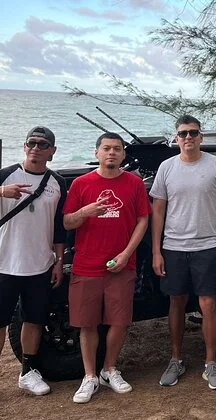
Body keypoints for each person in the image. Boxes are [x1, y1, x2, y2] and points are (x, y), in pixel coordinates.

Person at [0, 126, 67, 408]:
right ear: (24, 146)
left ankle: (28, 371)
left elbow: (59, 227)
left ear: (52, 151)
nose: (36, 148)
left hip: (40, 264)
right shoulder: (6, 175)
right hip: (5, 263)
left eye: (43, 144)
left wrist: (59, 261)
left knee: (34, 319)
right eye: (31, 143)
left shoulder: (57, 182)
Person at [63, 132, 150, 404]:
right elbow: (67, 222)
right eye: (106, 148)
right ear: (97, 153)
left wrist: (126, 254)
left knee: (119, 321)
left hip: (122, 264)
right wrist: (85, 212)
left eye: (117, 149)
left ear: (123, 154)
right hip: (87, 264)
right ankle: (89, 376)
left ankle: (109, 369)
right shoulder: (81, 184)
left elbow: (143, 220)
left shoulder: (134, 183)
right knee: (87, 322)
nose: (111, 153)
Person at [150, 115, 216, 390]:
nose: (188, 137)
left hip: (207, 245)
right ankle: (176, 359)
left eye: (193, 133)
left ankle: (211, 362)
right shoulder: (167, 167)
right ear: (176, 138)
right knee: (176, 303)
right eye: (183, 133)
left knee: (209, 305)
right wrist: (156, 251)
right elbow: (158, 211)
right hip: (173, 246)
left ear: (201, 136)